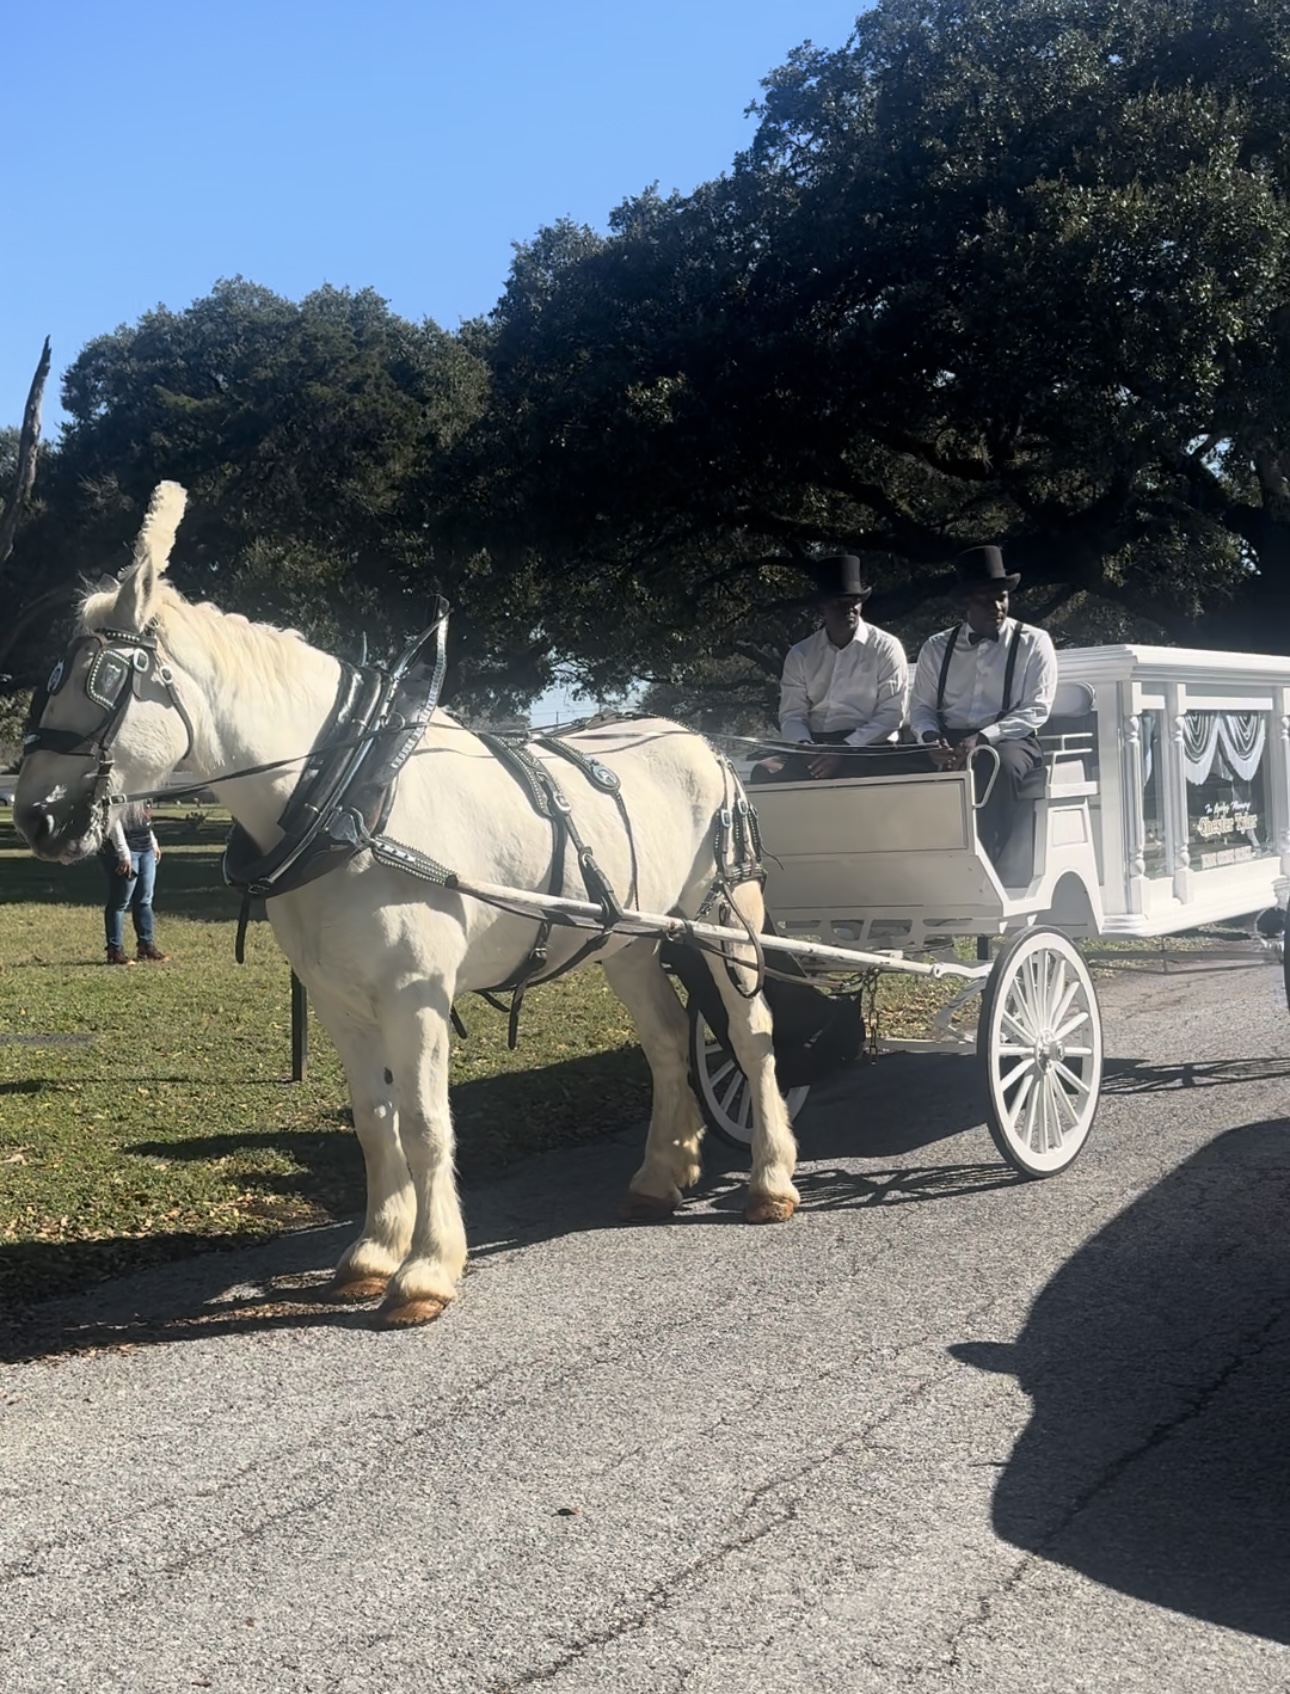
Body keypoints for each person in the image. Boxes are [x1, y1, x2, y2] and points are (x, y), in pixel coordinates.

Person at [910, 545, 1058, 865]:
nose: (996, 606)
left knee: (996, 764)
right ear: (965, 603)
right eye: (984, 598)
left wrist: (984, 737)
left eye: (1001, 596)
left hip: (1010, 739)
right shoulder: (936, 647)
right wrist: (928, 739)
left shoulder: (1034, 642)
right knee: (900, 767)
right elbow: (920, 707)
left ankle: (989, 863)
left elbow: (1036, 709)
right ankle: (918, 864)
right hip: (948, 737)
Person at [750, 554, 910, 783]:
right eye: (838, 601)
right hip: (815, 747)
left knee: (850, 776)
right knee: (764, 772)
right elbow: (792, 715)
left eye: (854, 600)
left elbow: (891, 715)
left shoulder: (886, 648)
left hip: (870, 747)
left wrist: (845, 749)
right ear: (822, 606)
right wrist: (805, 747)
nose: (849, 608)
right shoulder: (800, 654)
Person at [100, 802, 168, 965]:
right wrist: (123, 854)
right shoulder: (121, 786)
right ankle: (114, 950)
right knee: (120, 902)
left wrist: (153, 843)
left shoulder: (143, 785)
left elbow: (145, 819)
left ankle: (146, 945)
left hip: (144, 848)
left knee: (145, 900)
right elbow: (112, 820)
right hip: (125, 850)